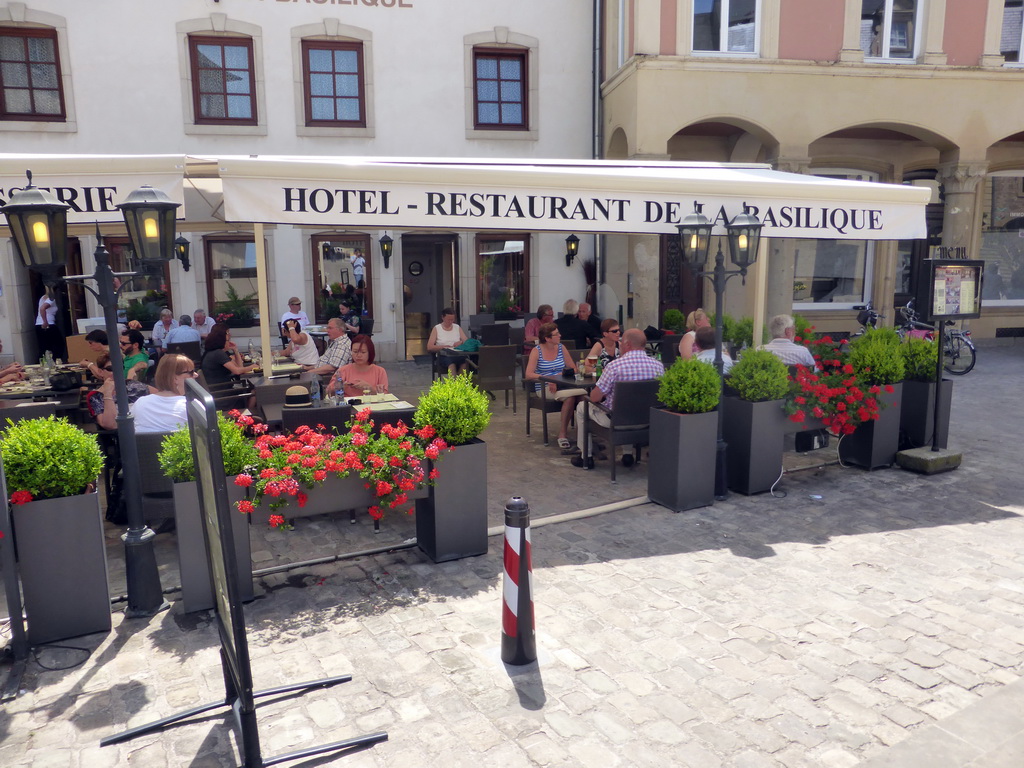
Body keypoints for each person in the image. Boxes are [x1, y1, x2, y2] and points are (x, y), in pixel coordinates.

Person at [571, 328, 665, 466]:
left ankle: (586, 456)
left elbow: (596, 397)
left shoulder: (614, 366)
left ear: (627, 344)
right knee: (631, 405)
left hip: (616, 421)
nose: (619, 344)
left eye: (621, 342)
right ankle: (627, 455)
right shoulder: (658, 366)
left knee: (581, 407)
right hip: (647, 420)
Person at [525, 322, 582, 450]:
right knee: (573, 397)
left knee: (584, 397)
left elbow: (573, 368)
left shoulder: (561, 348)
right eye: (557, 334)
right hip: (544, 387)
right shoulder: (537, 351)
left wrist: (557, 377)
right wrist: (548, 378)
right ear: (547, 338)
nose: (560, 335)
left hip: (563, 384)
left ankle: (583, 434)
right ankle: (562, 434)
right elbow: (529, 374)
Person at [131, 354, 194, 433]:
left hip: (147, 445)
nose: (196, 375)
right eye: (190, 373)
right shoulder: (192, 406)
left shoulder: (140, 403)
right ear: (175, 378)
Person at [427, 307, 469, 375]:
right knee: (451, 363)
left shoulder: (457, 327)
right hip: (444, 355)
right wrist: (443, 347)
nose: (450, 322)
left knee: (465, 362)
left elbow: (467, 341)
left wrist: (461, 342)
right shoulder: (437, 328)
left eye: (452, 320)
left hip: (457, 354)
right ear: (443, 318)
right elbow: (429, 347)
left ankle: (459, 382)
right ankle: (453, 383)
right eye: (448, 320)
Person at [35, 288, 64, 360]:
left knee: (44, 346)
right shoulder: (51, 299)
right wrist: (45, 322)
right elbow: (42, 308)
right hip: (49, 324)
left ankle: (42, 362)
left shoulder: (42, 298)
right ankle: (56, 360)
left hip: (39, 324)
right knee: (59, 344)